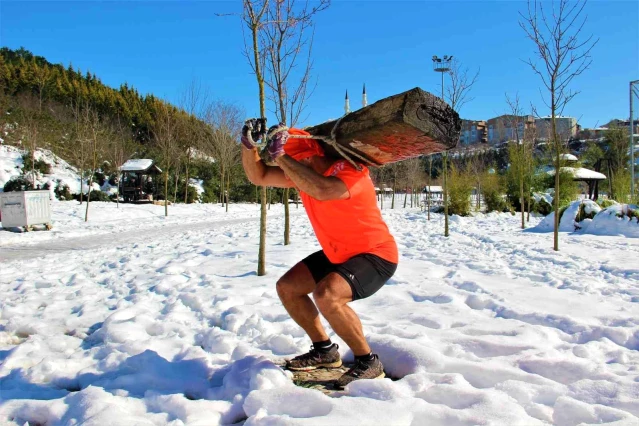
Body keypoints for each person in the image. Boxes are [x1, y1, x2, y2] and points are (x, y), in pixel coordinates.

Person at [240, 119, 398, 389]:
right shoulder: (304, 175)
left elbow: (325, 191)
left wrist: (283, 158)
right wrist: (248, 146)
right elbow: (259, 176)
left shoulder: (353, 171)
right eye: (296, 162)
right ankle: (325, 351)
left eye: (302, 160)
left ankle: (367, 361)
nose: (300, 168)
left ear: (314, 153)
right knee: (288, 287)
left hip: (376, 255)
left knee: (328, 295)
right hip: (339, 253)